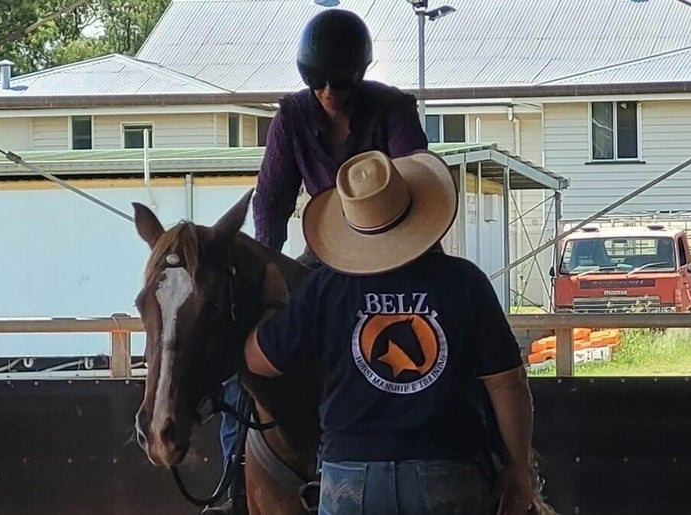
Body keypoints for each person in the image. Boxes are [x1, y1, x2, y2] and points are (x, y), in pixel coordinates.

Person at [212, 8, 429, 512]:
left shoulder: (394, 107)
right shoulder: (291, 115)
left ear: (360, 76)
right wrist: (269, 266)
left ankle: (493, 454)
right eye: (319, 83)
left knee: (443, 328)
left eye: (341, 83)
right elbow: (271, 197)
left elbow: (416, 178)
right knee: (242, 349)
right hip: (325, 250)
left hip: (398, 245)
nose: (329, 92)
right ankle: (233, 477)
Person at [244, 149, 537, 515]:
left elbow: (260, 360)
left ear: (352, 227)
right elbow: (508, 384)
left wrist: (272, 306)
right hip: (446, 468)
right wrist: (518, 468)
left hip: (349, 475)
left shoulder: (325, 288)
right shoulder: (465, 282)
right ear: (420, 213)